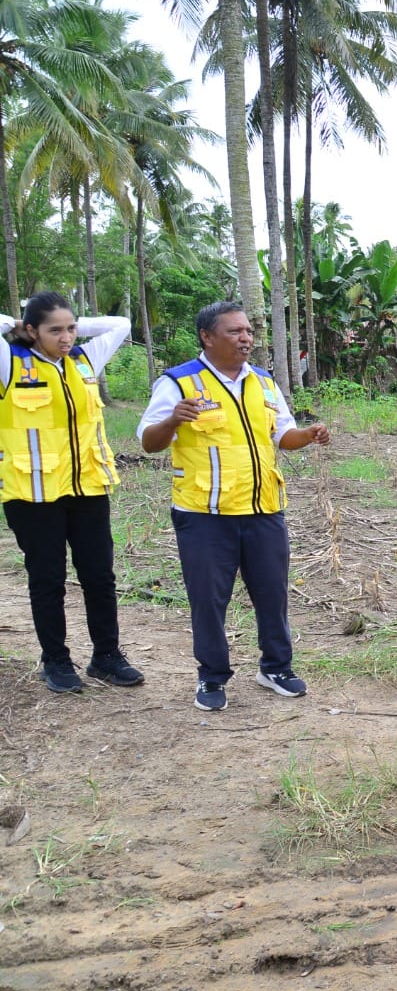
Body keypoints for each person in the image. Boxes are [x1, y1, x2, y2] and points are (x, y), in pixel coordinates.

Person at [137, 301, 331, 712]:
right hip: (204, 515)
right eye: (234, 332)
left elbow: (284, 436)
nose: (246, 339)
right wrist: (173, 421)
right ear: (207, 337)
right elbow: (150, 443)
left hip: (263, 509)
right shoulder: (178, 383)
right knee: (208, 599)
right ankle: (212, 676)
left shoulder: (263, 383)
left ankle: (276, 667)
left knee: (271, 593)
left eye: (248, 332)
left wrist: (309, 435)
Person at [0, 295, 144, 692]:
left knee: (99, 576)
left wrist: (70, 320)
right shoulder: (9, 362)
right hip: (33, 494)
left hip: (87, 489)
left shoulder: (84, 361)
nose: (66, 338)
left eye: (71, 328)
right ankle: (56, 661)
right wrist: (14, 320)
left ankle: (107, 657)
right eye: (54, 330)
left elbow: (120, 324)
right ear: (31, 331)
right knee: (48, 579)